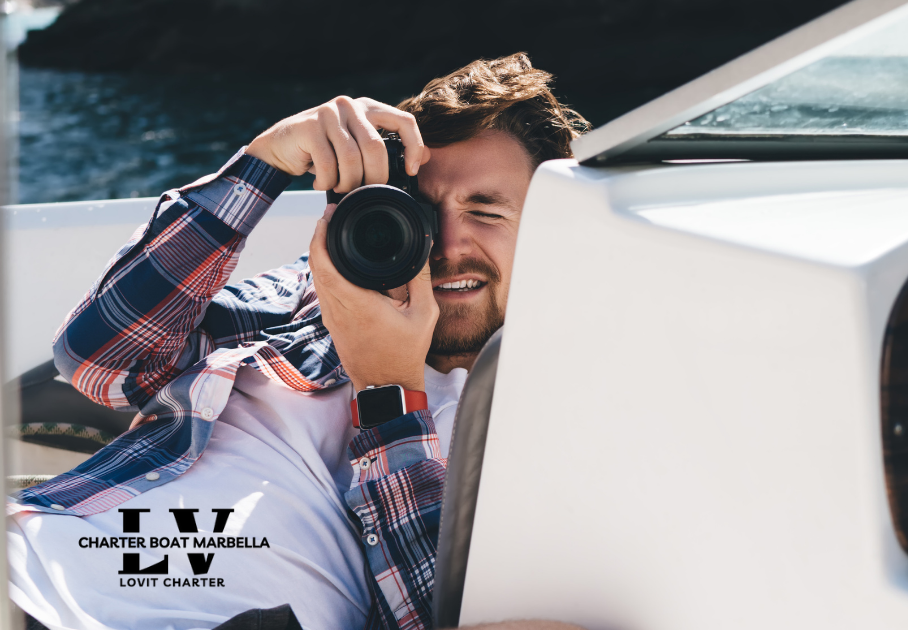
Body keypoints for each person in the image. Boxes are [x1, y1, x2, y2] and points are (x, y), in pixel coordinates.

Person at [7, 53, 590, 630]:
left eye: (486, 210)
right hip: (28, 568)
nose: (447, 244)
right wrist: (264, 162)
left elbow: (439, 614)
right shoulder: (322, 292)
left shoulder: (562, 398)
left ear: (550, 225)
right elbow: (102, 362)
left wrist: (386, 388)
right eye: (424, 212)